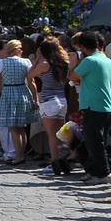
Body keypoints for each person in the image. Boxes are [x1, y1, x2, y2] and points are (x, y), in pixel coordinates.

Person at [68, 31, 111, 185]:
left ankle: (104, 173)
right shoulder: (107, 60)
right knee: (97, 141)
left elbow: (72, 77)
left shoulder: (89, 61)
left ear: (82, 46)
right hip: (107, 106)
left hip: (93, 106)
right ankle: (93, 170)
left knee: (94, 143)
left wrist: (75, 62)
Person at [27, 37, 71, 174]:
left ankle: (54, 162)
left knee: (51, 135)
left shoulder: (45, 64)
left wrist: (37, 59)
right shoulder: (64, 63)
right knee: (61, 133)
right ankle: (64, 160)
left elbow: (29, 75)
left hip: (48, 100)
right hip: (62, 100)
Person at [0, 40, 33, 165]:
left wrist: (0, 95)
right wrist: (33, 98)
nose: (21, 50)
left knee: (13, 127)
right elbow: (31, 81)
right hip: (22, 91)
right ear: (14, 49)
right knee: (21, 127)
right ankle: (21, 154)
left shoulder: (1, 62)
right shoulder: (26, 62)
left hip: (8, 91)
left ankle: (18, 156)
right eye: (19, 48)